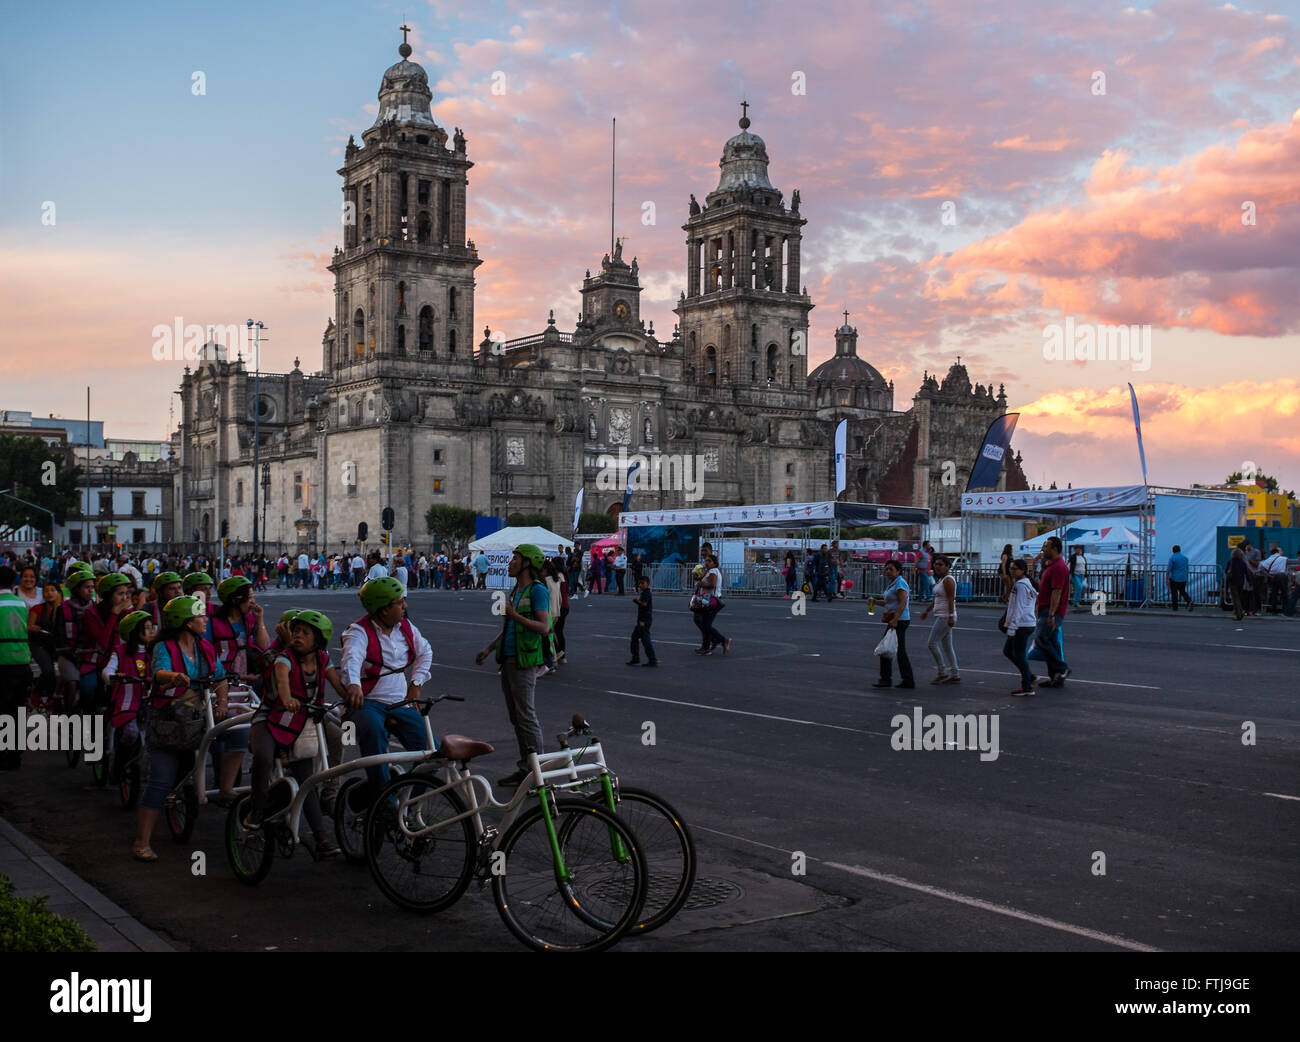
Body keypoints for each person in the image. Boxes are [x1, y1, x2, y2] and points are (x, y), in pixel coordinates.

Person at [133, 595, 228, 861]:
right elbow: (158, 672)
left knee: (236, 735)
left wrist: (222, 704)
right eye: (200, 616)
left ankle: (225, 790)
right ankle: (141, 842)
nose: (205, 619)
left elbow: (220, 677)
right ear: (185, 622)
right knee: (161, 780)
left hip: (197, 720)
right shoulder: (164, 647)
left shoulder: (205, 647)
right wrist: (173, 676)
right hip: (168, 723)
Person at [242, 610, 344, 856]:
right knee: (264, 757)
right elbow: (282, 681)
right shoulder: (284, 658)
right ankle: (255, 812)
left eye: (304, 633)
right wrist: (287, 699)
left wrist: (350, 696)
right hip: (269, 719)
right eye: (296, 631)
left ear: (318, 640)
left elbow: (337, 684)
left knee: (306, 781)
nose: (297, 636)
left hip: (300, 723)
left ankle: (321, 841)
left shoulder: (322, 659)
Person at [340, 577, 435, 794]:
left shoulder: (406, 627)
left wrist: (416, 683)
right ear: (383, 610)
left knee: (434, 753)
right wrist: (354, 684)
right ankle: (384, 800)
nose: (405, 606)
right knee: (373, 735)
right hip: (369, 702)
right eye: (399, 602)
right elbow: (351, 659)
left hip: (400, 703)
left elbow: (425, 652)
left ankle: (407, 806)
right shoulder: (358, 631)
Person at [474, 545, 550, 788]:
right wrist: (489, 648)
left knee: (527, 716)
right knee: (516, 717)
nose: (510, 563)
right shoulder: (516, 590)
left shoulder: (538, 591)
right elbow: (508, 629)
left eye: (515, 559)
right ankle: (525, 767)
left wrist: (515, 616)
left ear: (527, 563)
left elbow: (543, 627)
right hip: (507, 658)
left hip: (524, 660)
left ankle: (538, 773)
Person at [205, 576, 268, 802]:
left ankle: (230, 782)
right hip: (219, 684)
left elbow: (263, 647)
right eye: (249, 598)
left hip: (244, 683)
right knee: (225, 733)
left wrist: (259, 621)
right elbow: (207, 655)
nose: (253, 602)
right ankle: (223, 783)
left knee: (251, 728)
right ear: (235, 599)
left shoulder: (249, 620)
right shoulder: (211, 623)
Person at [0, 566, 32, 770]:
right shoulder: (21, 603)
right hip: (22, 660)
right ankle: (15, 757)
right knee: (18, 710)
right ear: (14, 583)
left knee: (2, 710)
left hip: (2, 661)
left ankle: (3, 756)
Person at [869, 560, 914, 688]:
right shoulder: (893, 584)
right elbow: (889, 603)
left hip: (899, 620)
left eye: (890, 569)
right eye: (886, 569)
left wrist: (895, 619)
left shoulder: (900, 583)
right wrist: (875, 602)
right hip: (895, 620)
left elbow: (903, 602)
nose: (888, 571)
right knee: (894, 650)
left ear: (898, 571)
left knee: (888, 649)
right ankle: (905, 680)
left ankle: (890, 679)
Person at [1033, 536, 1071, 687]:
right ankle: (1055, 677)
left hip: (1051, 611)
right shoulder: (1051, 565)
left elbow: (1057, 592)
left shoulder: (1059, 567)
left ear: (1055, 549)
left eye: (1047, 546)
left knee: (1041, 639)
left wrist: (1051, 614)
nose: (1044, 549)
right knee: (1052, 643)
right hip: (1046, 609)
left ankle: (1062, 669)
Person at [1000, 559, 1037, 695]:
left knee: (1019, 654)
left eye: (1015, 569)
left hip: (1022, 624)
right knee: (1008, 651)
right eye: (1011, 568)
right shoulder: (1024, 583)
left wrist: (1012, 627)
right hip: (1025, 623)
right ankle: (1028, 675)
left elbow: (1019, 608)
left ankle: (1027, 686)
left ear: (1023, 570)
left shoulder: (1021, 585)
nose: (1012, 571)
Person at [920, 554, 959, 684]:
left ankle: (942, 672)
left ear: (948, 566)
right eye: (936, 564)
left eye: (940, 564)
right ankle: (955, 674)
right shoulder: (940, 579)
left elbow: (950, 599)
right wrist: (927, 610)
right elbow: (937, 598)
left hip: (945, 616)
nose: (937, 567)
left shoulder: (948, 580)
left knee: (931, 644)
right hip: (942, 615)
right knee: (947, 646)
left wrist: (951, 616)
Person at [691, 553, 729, 656]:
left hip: (712, 601)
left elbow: (712, 585)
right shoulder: (709, 571)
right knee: (704, 624)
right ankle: (707, 647)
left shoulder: (713, 571)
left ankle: (722, 640)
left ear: (714, 563)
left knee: (706, 625)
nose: (706, 563)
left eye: (709, 561)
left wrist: (700, 583)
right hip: (707, 600)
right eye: (706, 561)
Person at [627, 574, 657, 666]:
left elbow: (644, 604)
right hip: (642, 619)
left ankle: (652, 660)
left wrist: (637, 601)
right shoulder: (644, 593)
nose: (640, 585)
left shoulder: (646, 593)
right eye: (639, 583)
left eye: (642, 583)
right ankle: (636, 657)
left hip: (644, 620)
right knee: (635, 638)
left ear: (647, 584)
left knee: (645, 640)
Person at [547, 555, 570, 664]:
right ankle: (561, 655)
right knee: (558, 631)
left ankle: (560, 653)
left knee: (552, 631)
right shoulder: (564, 575)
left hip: (560, 606)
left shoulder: (558, 576)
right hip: (565, 605)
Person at [1261, 545, 1289, 614]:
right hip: (1282, 577)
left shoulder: (1269, 559)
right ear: (1278, 552)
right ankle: (1285, 609)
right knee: (1284, 593)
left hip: (1273, 578)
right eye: (1281, 550)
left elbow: (1262, 567)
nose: (1282, 552)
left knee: (1274, 594)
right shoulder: (1283, 558)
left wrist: (1269, 575)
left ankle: (1274, 610)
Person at [1167, 544, 1193, 611]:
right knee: (1182, 591)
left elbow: (1169, 569)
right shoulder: (1185, 558)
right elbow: (1187, 568)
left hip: (1174, 578)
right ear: (1180, 550)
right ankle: (1189, 600)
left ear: (1173, 551)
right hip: (1183, 578)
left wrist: (1167, 579)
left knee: (1174, 593)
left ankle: (1175, 608)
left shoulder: (1172, 558)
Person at [1226, 546, 1249, 621]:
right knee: (1238, 598)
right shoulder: (1243, 563)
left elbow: (1226, 571)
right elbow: (1247, 574)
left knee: (1235, 599)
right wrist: (1250, 583)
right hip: (1241, 582)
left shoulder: (1231, 562)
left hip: (1233, 582)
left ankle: (1239, 614)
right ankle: (1240, 611)